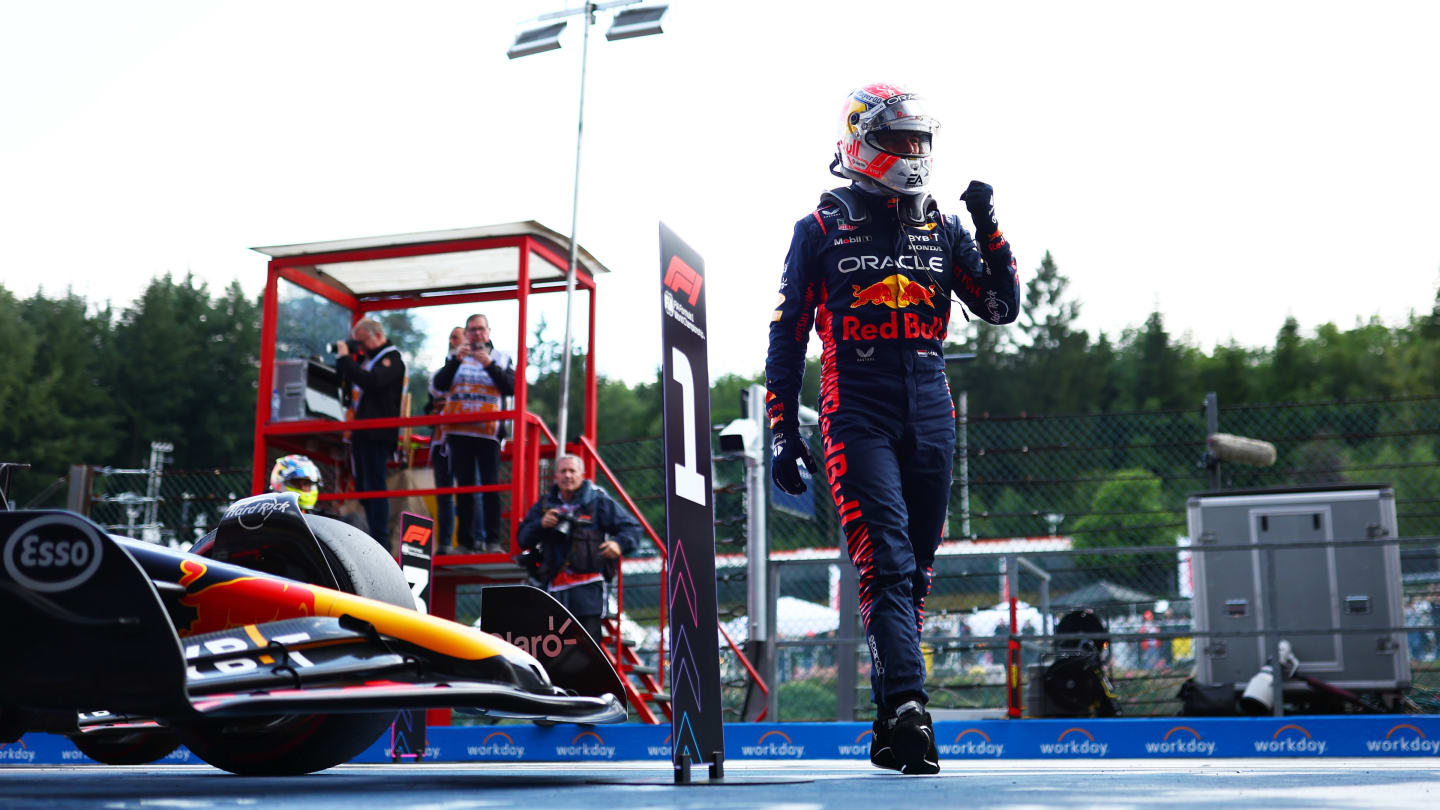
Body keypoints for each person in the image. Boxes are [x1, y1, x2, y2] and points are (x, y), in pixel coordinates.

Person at [765, 83, 1020, 775]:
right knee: (887, 564)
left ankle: (886, 726)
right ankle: (910, 711)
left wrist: (989, 223)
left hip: (933, 408)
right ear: (860, 142)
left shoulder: (942, 223)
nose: (914, 154)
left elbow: (999, 306)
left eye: (921, 141)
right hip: (857, 411)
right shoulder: (818, 229)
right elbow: (787, 336)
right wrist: (783, 431)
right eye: (900, 141)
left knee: (916, 577)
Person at [516, 454, 640, 645]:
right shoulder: (544, 504)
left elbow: (632, 528)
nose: (568, 476)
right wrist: (541, 524)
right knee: (555, 649)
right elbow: (522, 538)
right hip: (554, 589)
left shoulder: (597, 500)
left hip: (588, 589)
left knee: (588, 648)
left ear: (582, 474)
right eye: (563, 471)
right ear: (555, 477)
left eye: (572, 471)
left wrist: (619, 544)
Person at [433, 313, 515, 554]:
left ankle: (492, 541)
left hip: (488, 433)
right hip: (459, 432)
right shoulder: (455, 356)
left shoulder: (501, 356)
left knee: (490, 488)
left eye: (480, 329)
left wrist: (490, 365)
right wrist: (455, 361)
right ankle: (466, 542)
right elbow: (439, 385)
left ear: (489, 332)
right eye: (472, 330)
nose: (477, 334)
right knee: (464, 489)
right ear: (466, 333)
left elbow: (512, 386)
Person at [335, 317, 405, 546]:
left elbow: (372, 382)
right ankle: (372, 532)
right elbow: (348, 381)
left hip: (378, 433)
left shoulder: (392, 359)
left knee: (376, 484)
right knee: (364, 486)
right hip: (361, 432)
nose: (360, 347)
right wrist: (344, 360)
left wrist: (347, 358)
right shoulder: (366, 360)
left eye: (362, 342)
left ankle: (380, 538)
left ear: (377, 335)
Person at [426, 326, 482, 553]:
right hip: (442, 440)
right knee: (444, 494)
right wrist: (435, 409)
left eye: (456, 337)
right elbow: (431, 403)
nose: (452, 341)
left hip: (468, 438)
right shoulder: (441, 373)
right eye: (450, 337)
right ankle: (446, 543)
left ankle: (477, 540)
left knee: (472, 491)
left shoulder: (476, 373)